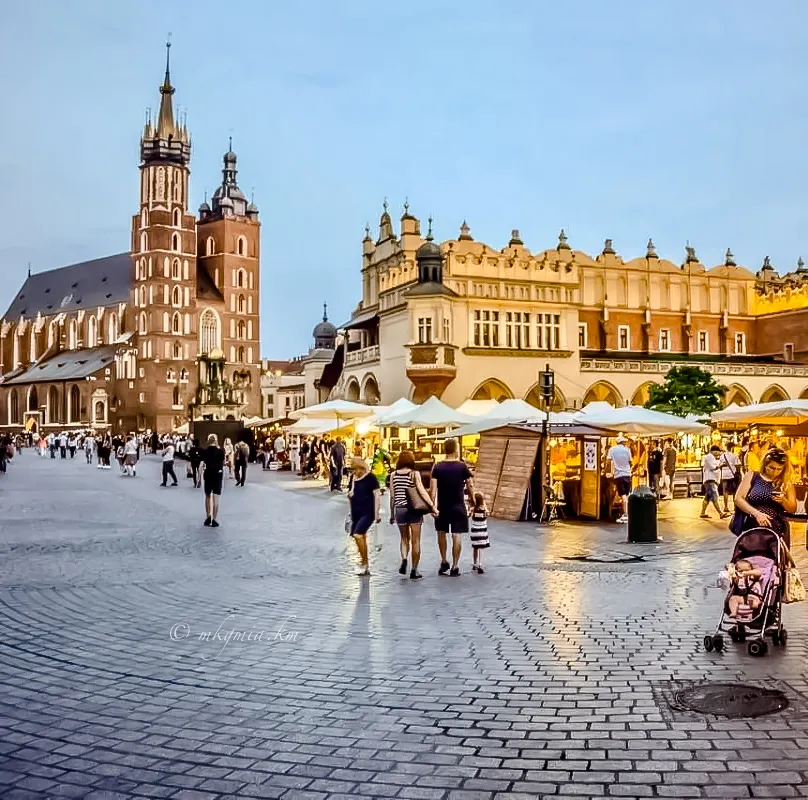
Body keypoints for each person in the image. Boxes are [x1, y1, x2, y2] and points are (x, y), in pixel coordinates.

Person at [734, 446, 796, 546]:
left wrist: (783, 500)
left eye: (779, 469)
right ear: (765, 464)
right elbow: (738, 498)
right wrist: (757, 514)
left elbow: (793, 509)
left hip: (777, 529)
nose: (775, 472)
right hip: (753, 527)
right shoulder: (753, 476)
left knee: (775, 559)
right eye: (771, 468)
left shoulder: (785, 482)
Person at [431, 438, 474, 577]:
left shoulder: (437, 467)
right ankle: (455, 566)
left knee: (441, 532)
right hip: (458, 505)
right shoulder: (462, 466)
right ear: (455, 449)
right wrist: (473, 501)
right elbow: (470, 485)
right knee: (457, 535)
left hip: (442, 506)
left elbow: (433, 490)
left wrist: (432, 506)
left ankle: (444, 561)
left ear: (444, 449)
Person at [389, 450, 435, 580]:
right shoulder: (414, 474)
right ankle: (414, 570)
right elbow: (422, 491)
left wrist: (392, 514)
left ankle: (404, 559)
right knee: (416, 541)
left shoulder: (393, 475)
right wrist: (432, 506)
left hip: (400, 509)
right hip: (413, 510)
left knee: (404, 539)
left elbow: (392, 496)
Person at [348, 457, 381, 577]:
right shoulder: (353, 478)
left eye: (355, 469)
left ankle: (365, 561)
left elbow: (377, 496)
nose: (353, 472)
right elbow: (352, 491)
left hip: (368, 511)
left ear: (361, 468)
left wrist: (377, 513)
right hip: (356, 511)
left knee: (358, 535)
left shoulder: (371, 478)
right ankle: (364, 563)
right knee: (360, 536)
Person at [606, 435, 633, 523]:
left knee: (623, 495)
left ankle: (625, 514)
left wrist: (607, 471)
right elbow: (630, 462)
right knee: (627, 494)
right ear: (623, 442)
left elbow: (608, 461)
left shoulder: (612, 450)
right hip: (627, 474)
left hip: (618, 475)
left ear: (617, 442)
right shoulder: (627, 450)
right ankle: (626, 513)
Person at [201, 433, 225, 527]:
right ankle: (214, 519)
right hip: (218, 475)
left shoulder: (205, 451)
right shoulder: (220, 451)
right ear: (216, 440)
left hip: (208, 474)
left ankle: (208, 516)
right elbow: (223, 462)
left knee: (207, 496)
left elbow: (202, 464)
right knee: (216, 497)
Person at [700, 445, 728, 519]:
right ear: (714, 451)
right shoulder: (709, 457)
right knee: (715, 496)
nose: (719, 453)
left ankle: (702, 513)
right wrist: (721, 465)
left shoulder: (713, 458)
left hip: (712, 480)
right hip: (710, 480)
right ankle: (721, 513)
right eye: (718, 451)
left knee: (708, 497)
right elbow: (713, 467)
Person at [470, 492, 490, 574]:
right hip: (482, 532)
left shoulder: (473, 509)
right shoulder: (485, 511)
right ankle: (480, 565)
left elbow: (469, 514)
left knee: (475, 548)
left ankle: (474, 564)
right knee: (481, 549)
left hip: (474, 532)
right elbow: (488, 513)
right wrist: (484, 503)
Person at [719, 444, 741, 513]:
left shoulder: (722, 455)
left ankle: (726, 507)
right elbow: (738, 464)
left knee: (725, 491)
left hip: (724, 475)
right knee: (734, 491)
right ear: (732, 448)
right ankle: (735, 507)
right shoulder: (734, 455)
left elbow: (719, 464)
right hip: (732, 474)